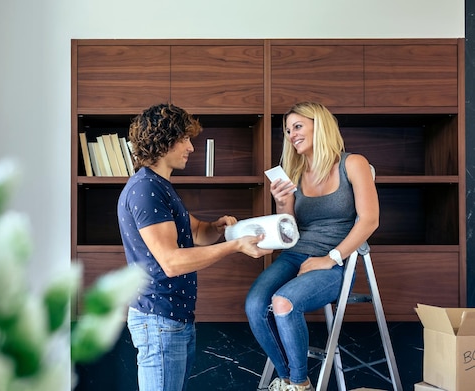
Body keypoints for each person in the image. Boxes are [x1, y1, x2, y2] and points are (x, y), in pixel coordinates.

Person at [117, 102, 273, 391]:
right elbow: (172, 262)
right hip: (159, 319)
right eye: (185, 139)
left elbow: (197, 232)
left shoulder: (160, 186)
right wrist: (235, 246)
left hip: (172, 318)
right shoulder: (146, 189)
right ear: (164, 141)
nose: (191, 147)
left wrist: (217, 229)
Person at [245, 101, 379, 391]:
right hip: (294, 255)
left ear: (320, 126)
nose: (292, 135)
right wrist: (282, 203)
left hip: (335, 261)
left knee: (283, 302)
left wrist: (330, 258)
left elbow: (369, 221)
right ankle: (292, 380)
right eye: (288, 130)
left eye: (298, 126)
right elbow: (288, 230)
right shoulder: (293, 173)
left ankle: (296, 383)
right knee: (255, 305)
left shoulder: (352, 164)